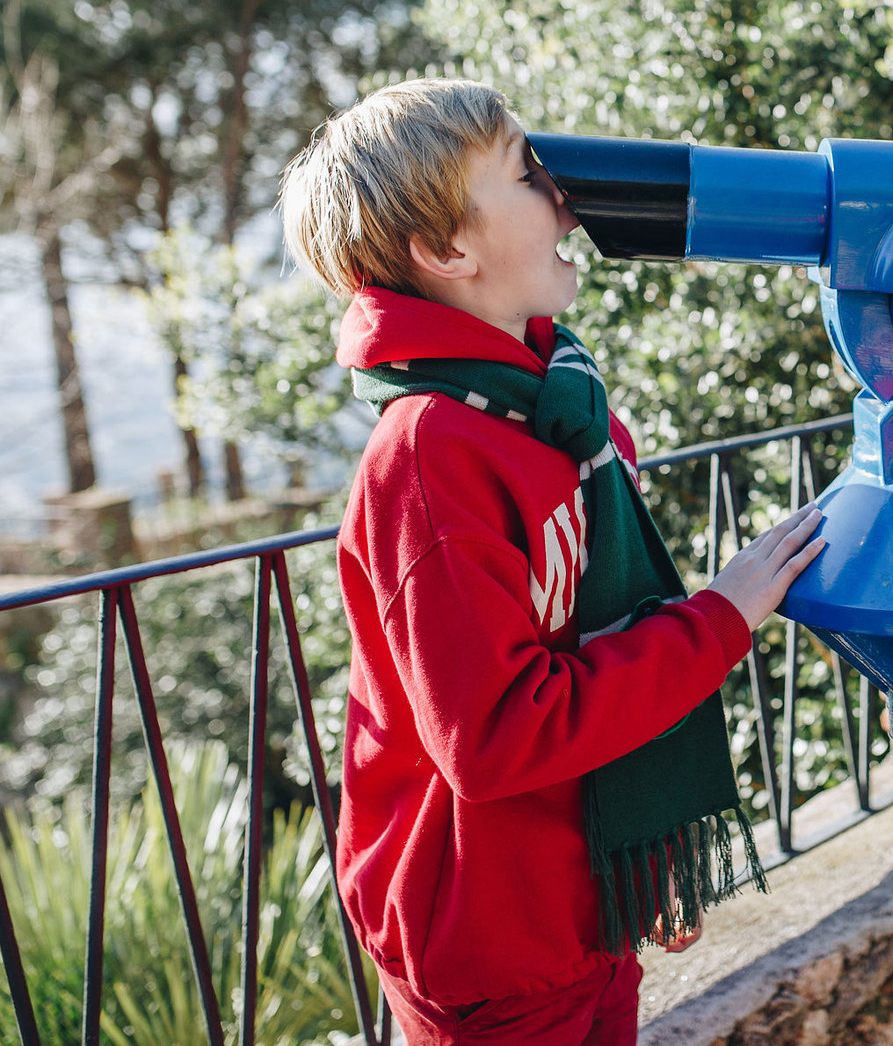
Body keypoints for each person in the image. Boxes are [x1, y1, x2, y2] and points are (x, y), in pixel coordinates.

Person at [279, 77, 825, 1046]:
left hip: (578, 912)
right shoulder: (429, 455)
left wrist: (634, 874)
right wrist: (720, 620)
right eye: (528, 176)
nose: (565, 197)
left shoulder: (549, 406)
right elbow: (493, 735)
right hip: (494, 952)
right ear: (448, 251)